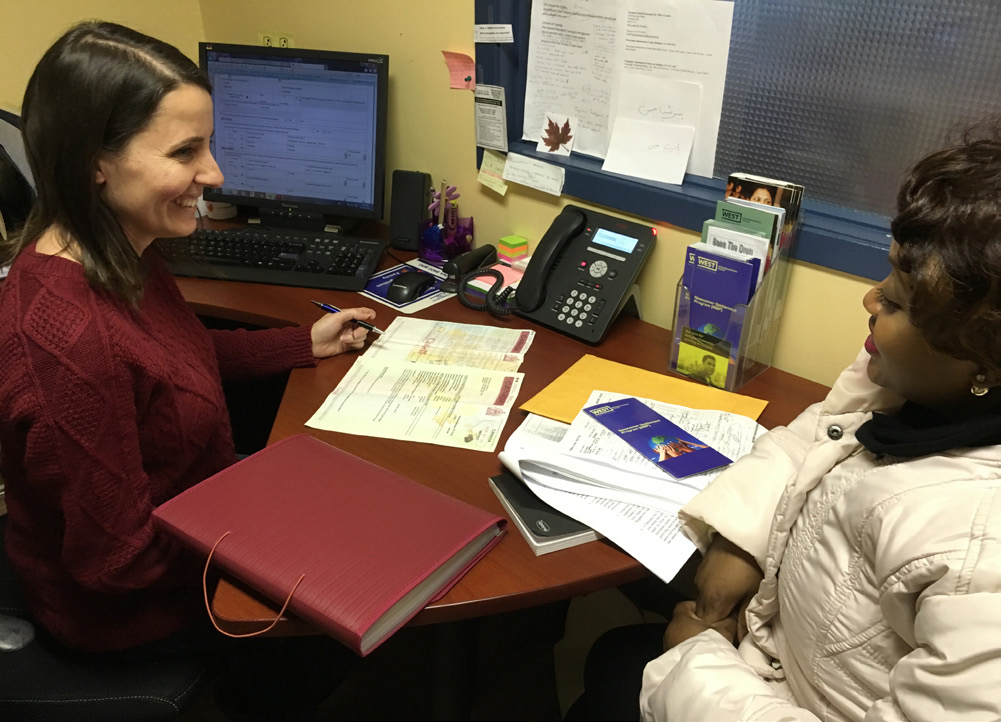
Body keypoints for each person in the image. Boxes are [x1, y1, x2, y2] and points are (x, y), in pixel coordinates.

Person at [0, 21, 377, 720]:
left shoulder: (116, 248)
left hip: (194, 518)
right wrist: (275, 541)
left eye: (209, 144)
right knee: (352, 613)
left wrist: (302, 344)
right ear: (94, 163)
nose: (214, 175)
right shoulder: (69, 337)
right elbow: (115, 565)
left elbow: (174, 363)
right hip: (126, 613)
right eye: (185, 152)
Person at [568, 121, 1001, 721]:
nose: (871, 300)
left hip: (780, 698)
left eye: (898, 303)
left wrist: (697, 663)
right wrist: (738, 541)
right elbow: (823, 430)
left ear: (983, 358)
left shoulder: (981, 554)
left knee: (615, 668)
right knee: (614, 656)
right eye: (887, 277)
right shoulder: (911, 383)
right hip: (774, 647)